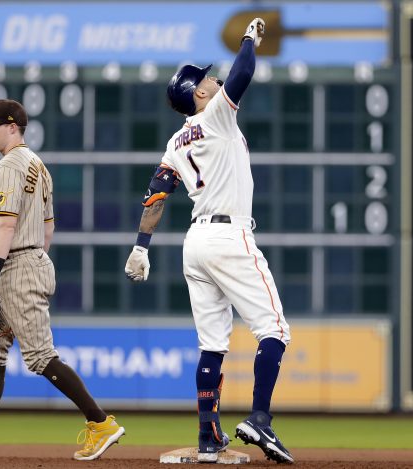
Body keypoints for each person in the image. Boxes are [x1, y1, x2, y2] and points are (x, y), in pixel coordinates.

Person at [124, 18, 293, 463]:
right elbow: (243, 73)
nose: (214, 79)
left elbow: (156, 194)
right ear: (199, 94)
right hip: (229, 235)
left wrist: (141, 245)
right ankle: (259, 418)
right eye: (206, 78)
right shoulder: (216, 113)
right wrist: (250, 39)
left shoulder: (176, 139)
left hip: (194, 243)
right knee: (274, 329)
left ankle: (207, 437)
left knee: (212, 344)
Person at [0, 99, 124, 461]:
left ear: (13, 126)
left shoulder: (8, 166)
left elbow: (5, 223)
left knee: (38, 356)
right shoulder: (38, 165)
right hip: (28, 259)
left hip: (13, 266)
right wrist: (35, 260)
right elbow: (48, 227)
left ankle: (101, 423)